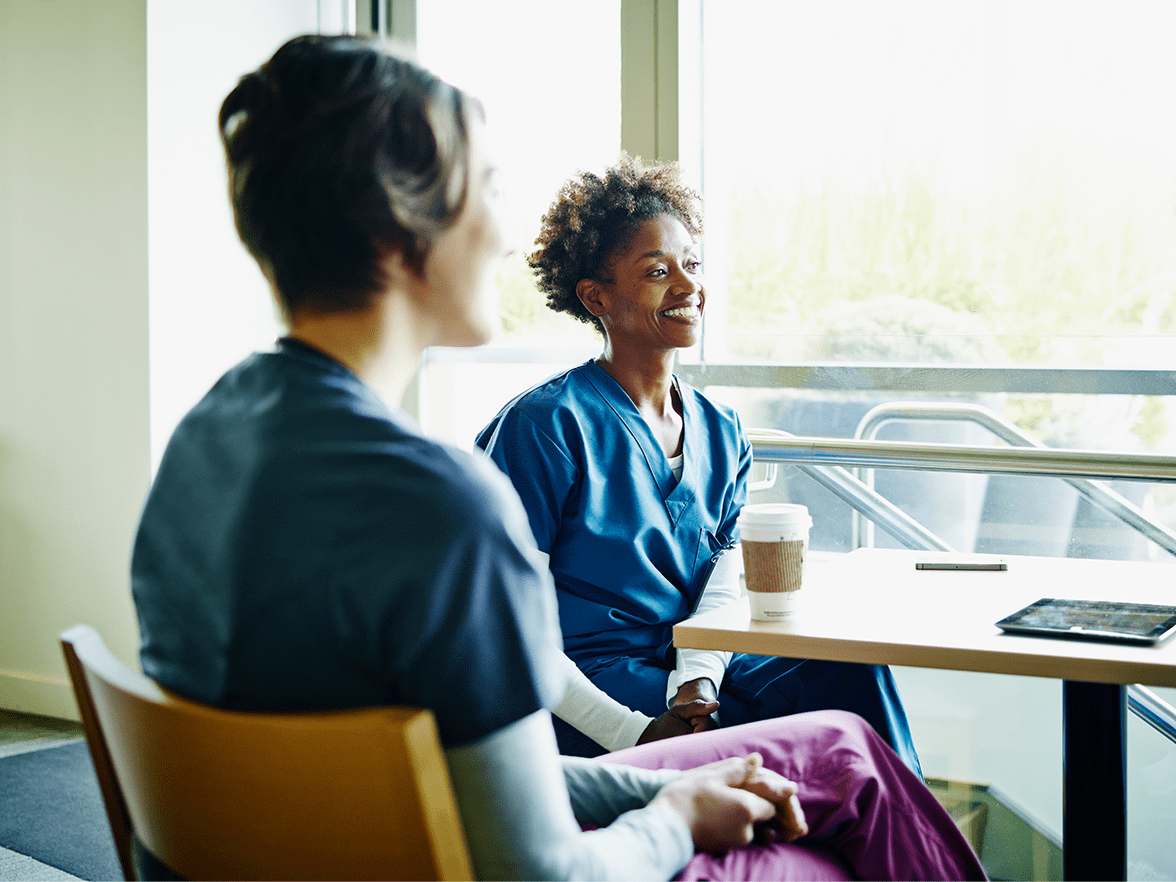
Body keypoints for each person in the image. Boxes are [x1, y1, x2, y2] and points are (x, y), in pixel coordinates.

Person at [130, 34, 985, 881]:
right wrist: (675, 815)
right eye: (490, 191)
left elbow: (458, 785)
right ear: (404, 225)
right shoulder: (447, 503)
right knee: (841, 764)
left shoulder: (208, 435)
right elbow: (536, 868)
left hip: (320, 843)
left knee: (833, 739)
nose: (505, 239)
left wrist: (661, 779)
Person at [476, 155, 922, 772]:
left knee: (847, 673)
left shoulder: (723, 429)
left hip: (691, 666)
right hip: (586, 687)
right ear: (595, 296)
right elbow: (504, 626)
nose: (688, 286)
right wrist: (634, 734)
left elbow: (721, 577)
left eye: (693, 263)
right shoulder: (545, 426)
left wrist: (698, 685)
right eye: (658, 271)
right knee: (801, 744)